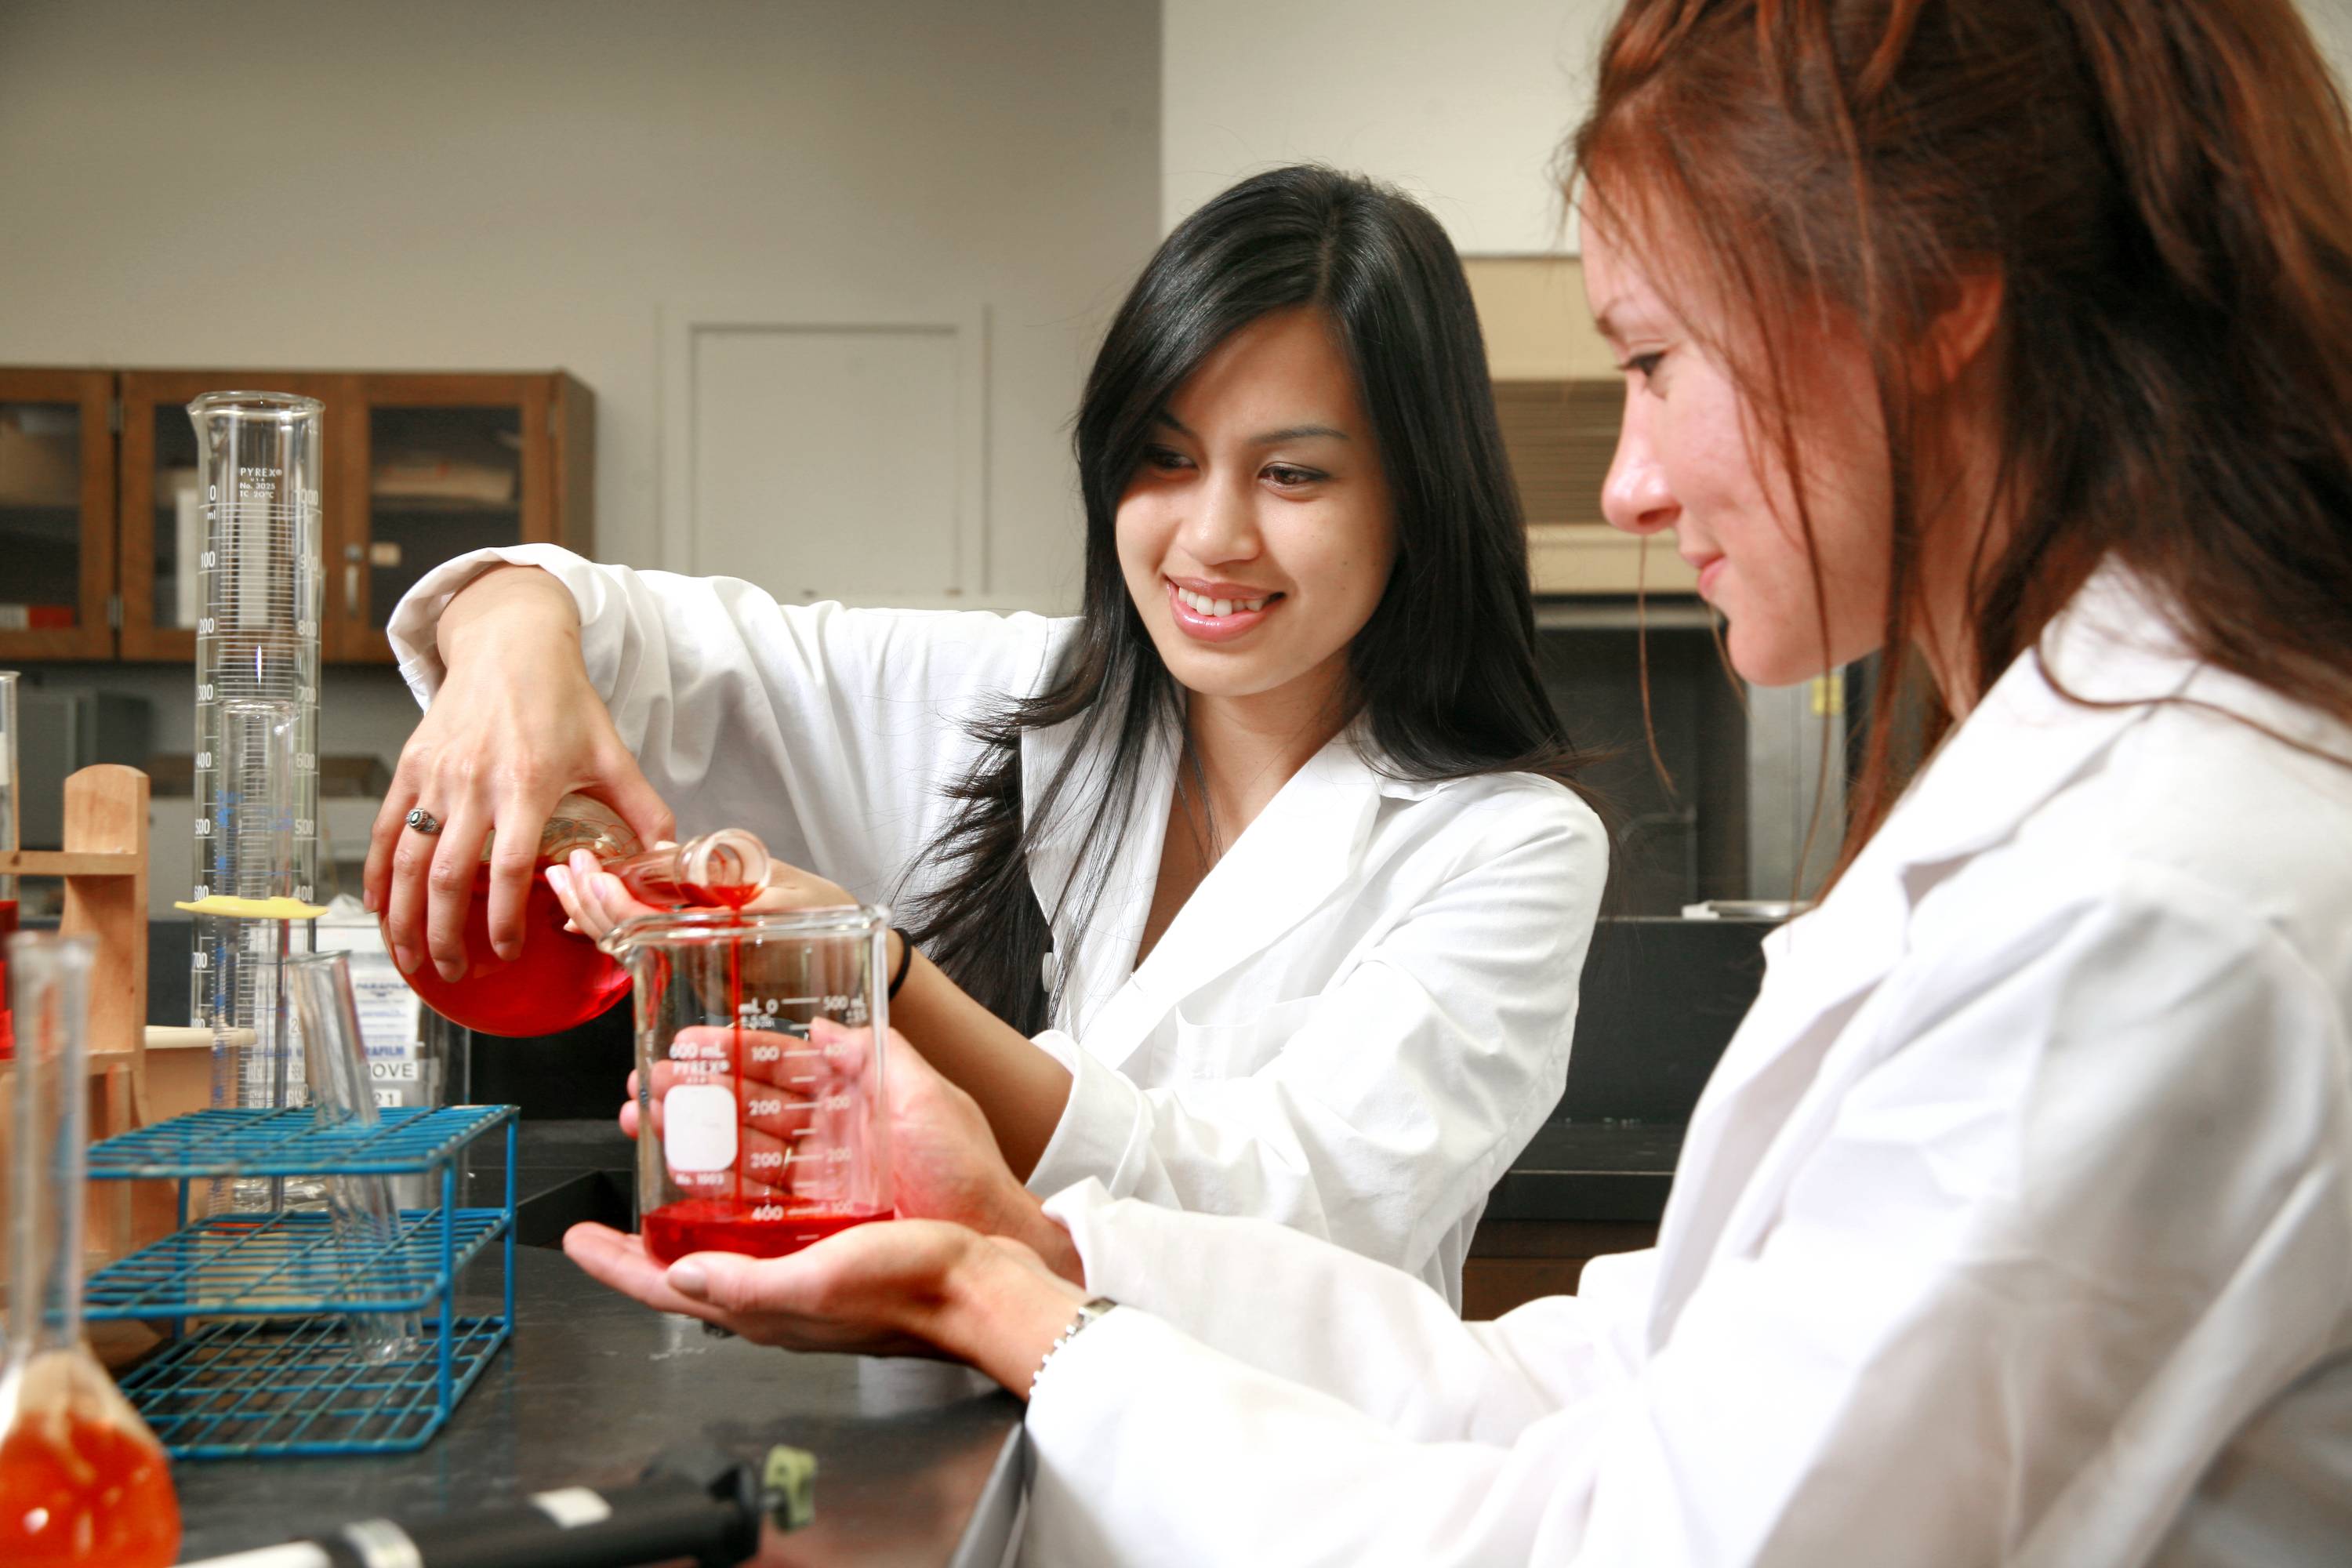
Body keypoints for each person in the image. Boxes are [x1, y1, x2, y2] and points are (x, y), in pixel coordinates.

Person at [565, 0, 2352, 1562]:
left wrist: (1029, 1305)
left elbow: (1644, 1540)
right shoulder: (2097, 820)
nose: (1633, 480)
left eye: (1656, 362)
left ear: (1934, 301)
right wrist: (1013, 1254)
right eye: (1165, 459)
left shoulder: (2146, 908)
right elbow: (1615, 1372)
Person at [369, 165, 1608, 1307]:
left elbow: (1301, 1204)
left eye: (1292, 475)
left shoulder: (1506, 846)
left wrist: (875, 973)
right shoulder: (1020, 697)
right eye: (1164, 459)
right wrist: (505, 644)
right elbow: (656, 640)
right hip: (953, 1470)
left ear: (1419, 493)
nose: (1212, 534)